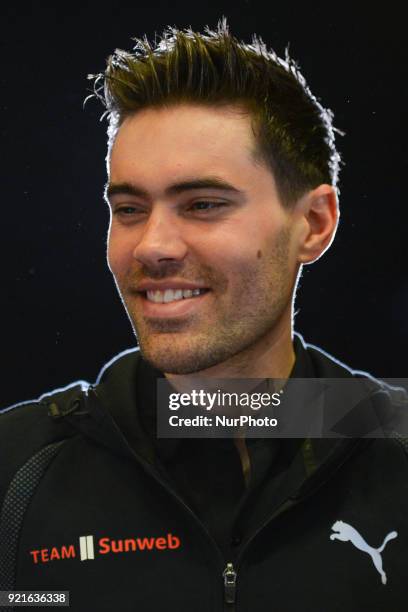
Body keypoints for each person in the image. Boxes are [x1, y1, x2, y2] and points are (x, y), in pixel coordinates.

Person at [0, 22, 407, 612]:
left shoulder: (391, 446)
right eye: (130, 208)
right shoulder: (15, 470)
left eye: (203, 205)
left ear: (314, 223)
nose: (152, 246)